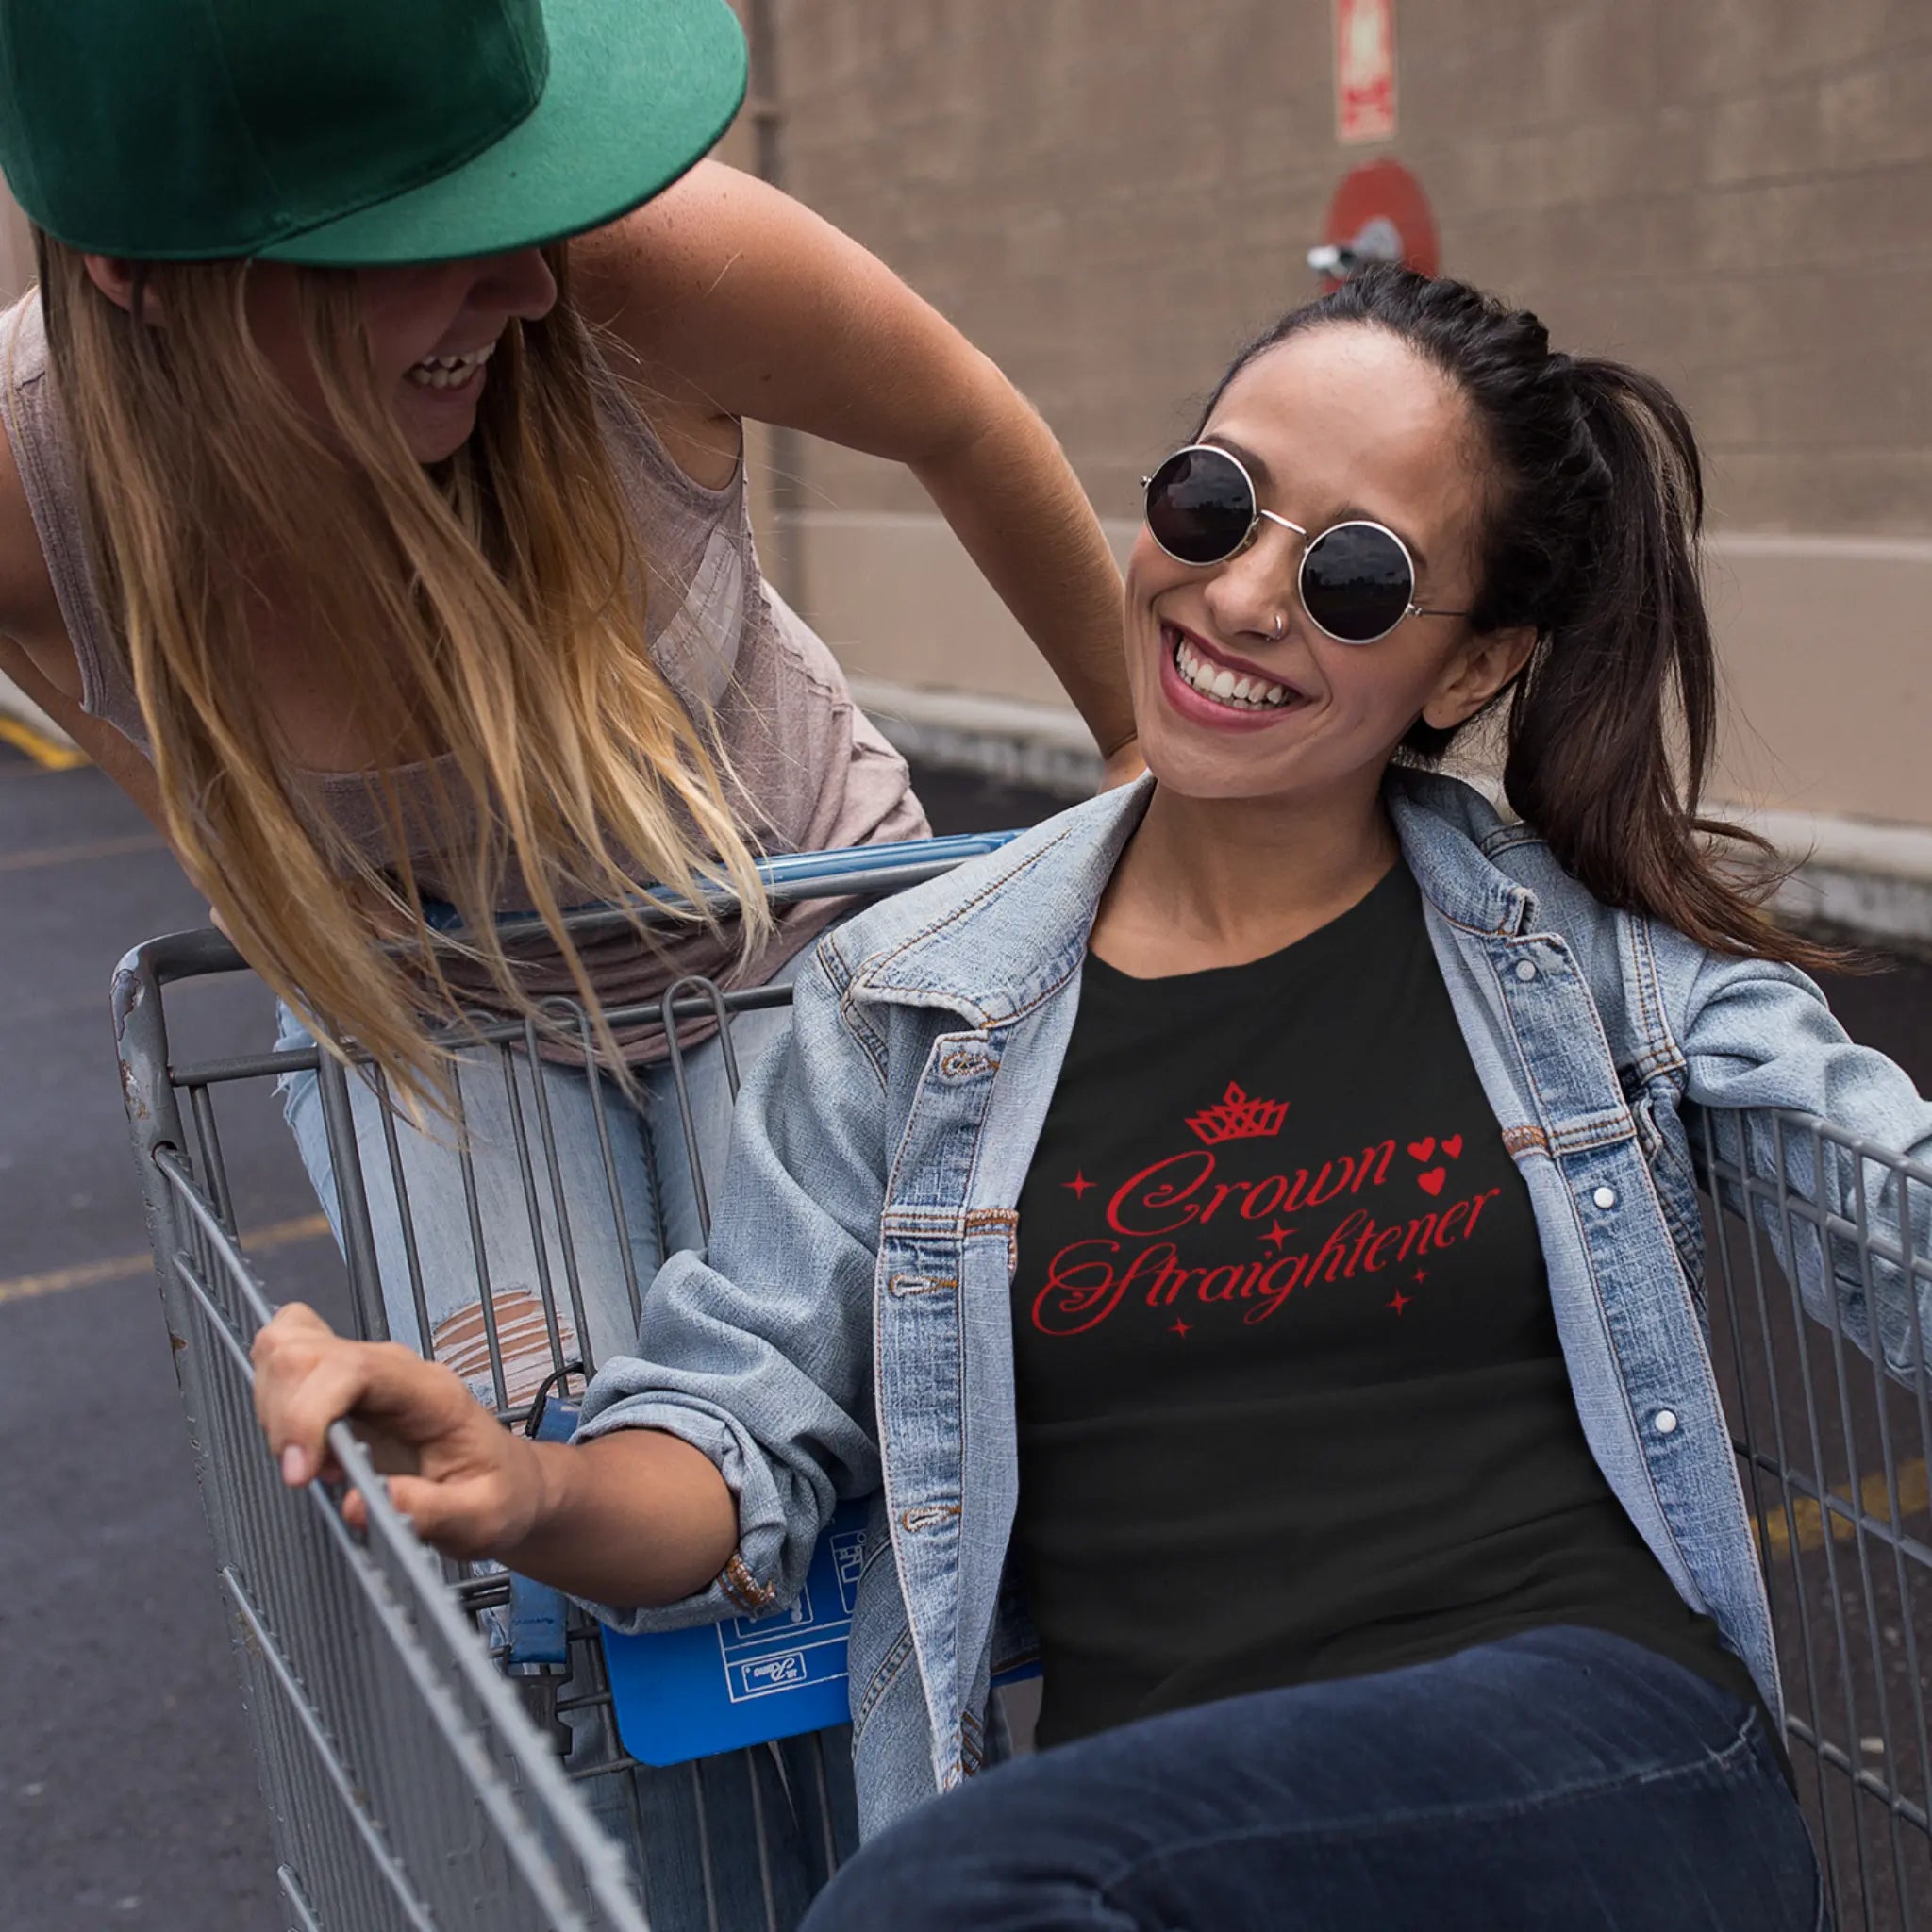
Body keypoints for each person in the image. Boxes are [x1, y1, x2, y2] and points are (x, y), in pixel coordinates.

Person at [248, 264, 1896, 1928]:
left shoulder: (1588, 976)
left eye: (1353, 576)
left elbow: (1883, 1191)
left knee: (946, 1895)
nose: (1244, 595)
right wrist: (527, 1488)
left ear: (1472, 673)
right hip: (1172, 1851)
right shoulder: (906, 1006)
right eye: (1215, 498)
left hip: (1587, 1766)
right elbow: (730, 1433)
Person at [0, 0, 1129, 1919]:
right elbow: (158, 738)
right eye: (418, 227)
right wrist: (312, 902)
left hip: (792, 937)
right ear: (140, 277)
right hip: (441, 1025)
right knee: (579, 1516)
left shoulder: (636, 270)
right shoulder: (40, 499)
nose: (522, 271)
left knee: (836, 1476)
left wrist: (1149, 768)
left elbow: (957, 414)